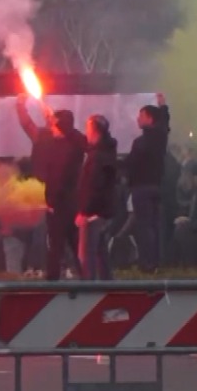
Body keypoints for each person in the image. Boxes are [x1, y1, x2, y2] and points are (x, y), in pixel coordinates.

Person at [16, 95, 87, 281]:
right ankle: (45, 268)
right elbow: (26, 124)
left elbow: (79, 141)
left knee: (64, 238)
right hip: (46, 192)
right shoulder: (43, 135)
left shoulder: (71, 142)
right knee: (50, 236)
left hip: (61, 197)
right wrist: (20, 106)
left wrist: (61, 123)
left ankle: (69, 270)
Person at [119, 105, 168, 271]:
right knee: (154, 225)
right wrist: (163, 108)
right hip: (156, 186)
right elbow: (164, 124)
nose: (138, 119)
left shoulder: (141, 142)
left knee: (144, 226)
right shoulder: (161, 138)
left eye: (141, 116)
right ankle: (156, 261)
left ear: (150, 118)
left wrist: (115, 165)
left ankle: (147, 262)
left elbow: (132, 163)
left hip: (141, 187)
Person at [76, 115, 119, 280]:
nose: (86, 132)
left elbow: (93, 186)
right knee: (102, 254)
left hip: (93, 214)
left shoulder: (97, 157)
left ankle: (89, 289)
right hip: (103, 212)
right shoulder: (106, 152)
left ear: (95, 131)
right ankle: (107, 286)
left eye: (88, 128)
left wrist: (84, 212)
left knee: (88, 256)